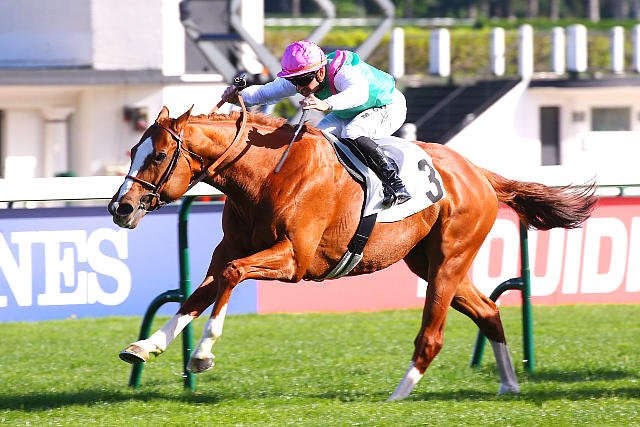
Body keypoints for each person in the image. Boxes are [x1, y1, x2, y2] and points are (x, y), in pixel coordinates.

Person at [221, 40, 411, 207]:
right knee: (314, 140)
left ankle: (396, 184)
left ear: (320, 71)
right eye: (294, 81)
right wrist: (238, 97)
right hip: (348, 112)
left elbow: (359, 94)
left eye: (303, 80)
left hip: (387, 106)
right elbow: (263, 93)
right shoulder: (304, 76)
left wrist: (325, 104)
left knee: (352, 131)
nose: (299, 87)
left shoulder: (342, 71)